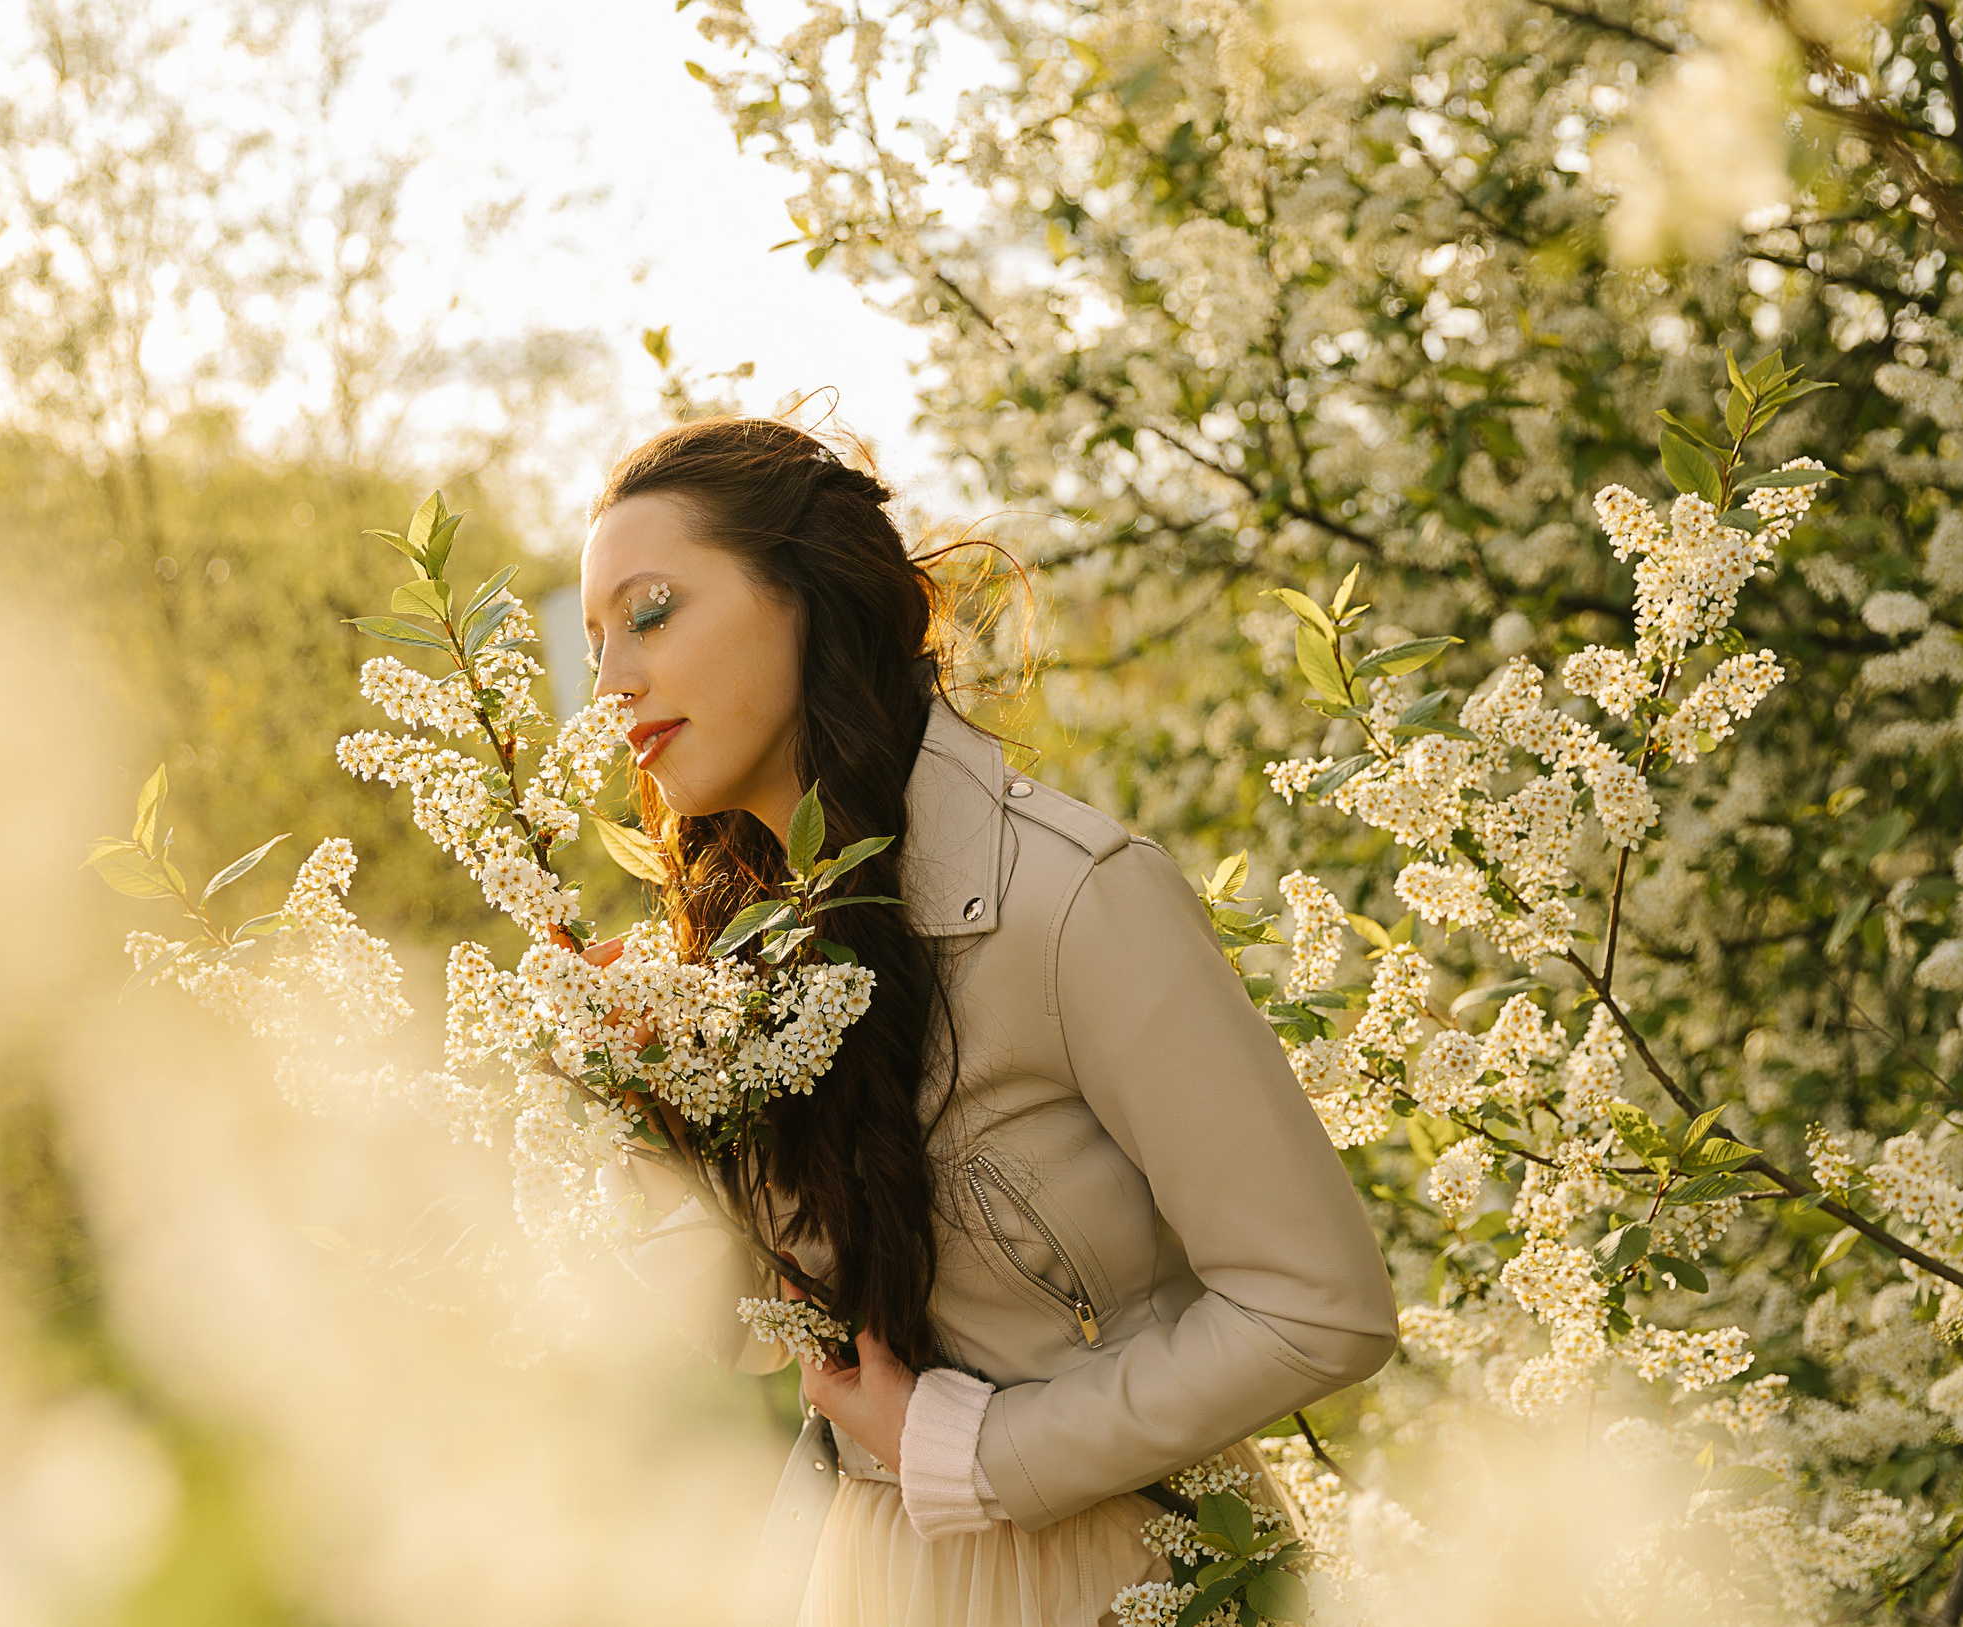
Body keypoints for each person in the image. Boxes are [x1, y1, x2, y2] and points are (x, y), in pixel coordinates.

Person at [574, 414, 1399, 1627]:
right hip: (870, 1574)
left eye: (650, 614)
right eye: (594, 644)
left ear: (808, 601)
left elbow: (1318, 1306)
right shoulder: (731, 952)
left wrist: (976, 1451)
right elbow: (749, 1337)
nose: (611, 687)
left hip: (1121, 1573)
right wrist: (645, 1107)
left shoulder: (1075, 900)